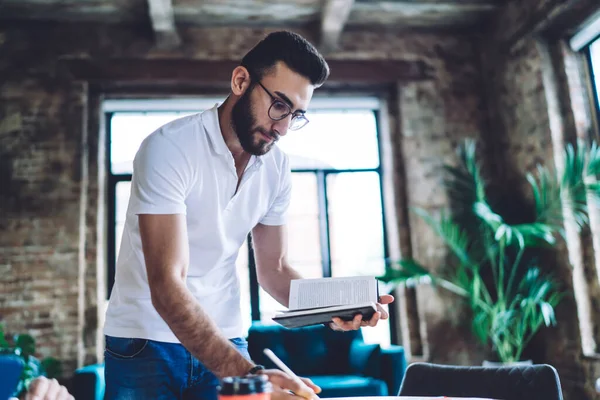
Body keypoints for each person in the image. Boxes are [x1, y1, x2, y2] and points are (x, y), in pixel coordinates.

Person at [103, 30, 394, 400]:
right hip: (144, 340)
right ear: (241, 81)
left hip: (226, 333)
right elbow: (166, 286)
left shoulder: (277, 168)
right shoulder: (169, 148)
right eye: (279, 105)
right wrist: (252, 375)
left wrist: (339, 307)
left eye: (296, 114)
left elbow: (274, 273)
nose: (284, 127)